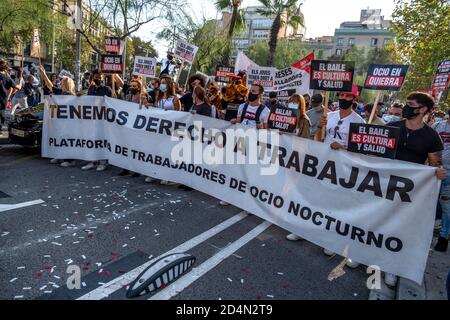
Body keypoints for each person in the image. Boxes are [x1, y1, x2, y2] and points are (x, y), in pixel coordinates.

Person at [383, 92, 446, 286]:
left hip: (408, 191)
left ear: (423, 109)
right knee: (374, 220)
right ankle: (363, 255)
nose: (406, 107)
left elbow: (436, 164)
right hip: (382, 184)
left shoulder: (432, 136)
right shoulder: (391, 127)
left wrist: (439, 173)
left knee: (398, 227)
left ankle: (391, 267)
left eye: (411, 104)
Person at [219, 83, 270, 207]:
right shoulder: (242, 106)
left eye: (254, 91)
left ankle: (247, 201)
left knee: (250, 174)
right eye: (250, 90)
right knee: (234, 170)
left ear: (260, 94)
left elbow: (266, 131)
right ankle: (229, 196)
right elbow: (238, 120)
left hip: (253, 145)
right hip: (239, 142)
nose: (250, 93)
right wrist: (233, 121)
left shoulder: (265, 111)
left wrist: (260, 128)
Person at [39, 66, 78, 168]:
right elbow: (50, 85)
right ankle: (59, 155)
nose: (60, 84)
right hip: (60, 122)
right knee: (59, 137)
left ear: (66, 85)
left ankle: (70, 160)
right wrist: (43, 73)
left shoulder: (71, 95)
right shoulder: (61, 92)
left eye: (62, 83)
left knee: (67, 139)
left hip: (69, 124)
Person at [145, 75, 181, 185]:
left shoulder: (175, 99)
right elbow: (156, 109)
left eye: (164, 82)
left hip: (169, 131)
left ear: (169, 85)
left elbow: (180, 115)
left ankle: (167, 175)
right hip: (158, 129)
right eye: (161, 82)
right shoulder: (158, 97)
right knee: (156, 151)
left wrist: (169, 113)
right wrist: (149, 105)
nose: (162, 85)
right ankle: (154, 173)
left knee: (167, 153)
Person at [82, 69, 112, 172]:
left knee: (102, 139)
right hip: (92, 119)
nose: (98, 79)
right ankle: (92, 161)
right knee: (92, 139)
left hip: (103, 120)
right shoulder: (91, 89)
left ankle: (103, 162)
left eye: (99, 77)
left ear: (103, 78)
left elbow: (112, 103)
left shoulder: (107, 89)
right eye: (96, 77)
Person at [432, 109, 450, 252]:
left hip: (449, 175)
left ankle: (443, 238)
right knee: (427, 203)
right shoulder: (438, 126)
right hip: (433, 171)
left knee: (447, 207)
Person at [0, 60, 23, 130]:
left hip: (3, 99)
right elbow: (18, 87)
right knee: (2, 115)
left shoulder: (7, 77)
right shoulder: (7, 78)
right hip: (3, 100)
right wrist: (21, 81)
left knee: (2, 115)